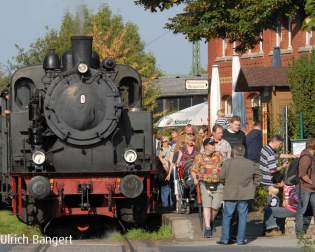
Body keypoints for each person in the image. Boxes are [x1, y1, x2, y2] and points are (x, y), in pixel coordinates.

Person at [217, 145, 261, 245]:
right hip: (245, 193)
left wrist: (226, 184)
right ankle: (240, 240)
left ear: (234, 152)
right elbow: (259, 175)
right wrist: (254, 185)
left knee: (227, 216)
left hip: (230, 193)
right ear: (244, 153)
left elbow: (221, 177)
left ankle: (225, 239)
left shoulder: (227, 163)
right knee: (242, 217)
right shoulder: (251, 163)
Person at [191, 138, 224, 238]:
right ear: (205, 146)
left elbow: (225, 166)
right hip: (205, 183)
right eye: (211, 144)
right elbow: (193, 170)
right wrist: (195, 179)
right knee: (207, 205)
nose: (214, 146)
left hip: (218, 183)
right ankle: (208, 227)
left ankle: (211, 220)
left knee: (216, 206)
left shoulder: (218, 155)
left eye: (214, 144)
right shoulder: (199, 157)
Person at [295, 138, 315, 237]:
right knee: (301, 210)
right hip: (305, 188)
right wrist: (312, 182)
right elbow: (302, 174)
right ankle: (299, 232)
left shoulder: (310, 156)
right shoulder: (306, 157)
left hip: (311, 188)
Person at [158, 136, 173, 208]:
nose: (165, 143)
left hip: (171, 169)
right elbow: (160, 157)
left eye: (166, 141)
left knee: (171, 187)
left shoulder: (171, 149)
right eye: (163, 142)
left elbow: (172, 158)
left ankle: (171, 203)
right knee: (165, 187)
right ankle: (165, 204)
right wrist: (164, 162)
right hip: (163, 171)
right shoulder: (160, 149)